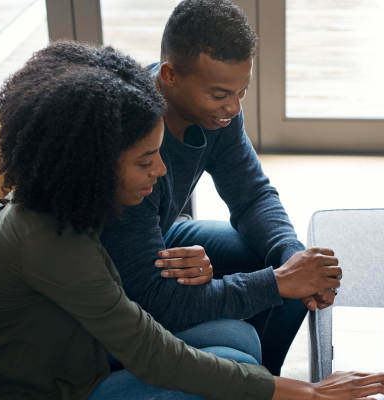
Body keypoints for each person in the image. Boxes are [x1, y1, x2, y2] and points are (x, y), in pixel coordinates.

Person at [0, 42, 384, 400]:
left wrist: (286, 264)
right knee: (241, 372)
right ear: (92, 164)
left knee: (240, 343)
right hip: (42, 386)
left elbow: (250, 195)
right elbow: (154, 354)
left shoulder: (72, 198)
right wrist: (307, 392)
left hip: (78, 349)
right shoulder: (50, 240)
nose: (162, 171)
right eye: (146, 161)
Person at [100, 0, 337, 376]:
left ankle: (263, 381)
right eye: (220, 94)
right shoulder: (129, 140)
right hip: (110, 280)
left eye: (242, 91)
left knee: (285, 266)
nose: (232, 107)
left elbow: (252, 195)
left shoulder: (218, 117)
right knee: (258, 311)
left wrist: (291, 259)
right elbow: (150, 296)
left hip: (161, 238)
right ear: (170, 75)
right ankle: (244, 379)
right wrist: (278, 282)